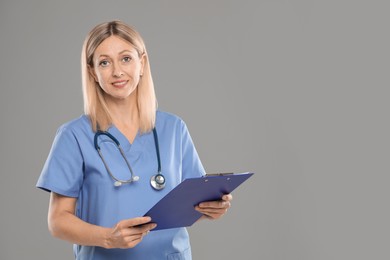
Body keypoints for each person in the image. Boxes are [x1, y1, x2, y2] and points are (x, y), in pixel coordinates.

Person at [36, 20, 232, 259]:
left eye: (126, 58)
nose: (117, 71)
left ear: (142, 63)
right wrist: (108, 238)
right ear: (92, 72)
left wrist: (213, 208)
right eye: (105, 62)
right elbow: (57, 221)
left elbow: (192, 204)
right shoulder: (74, 136)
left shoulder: (174, 128)